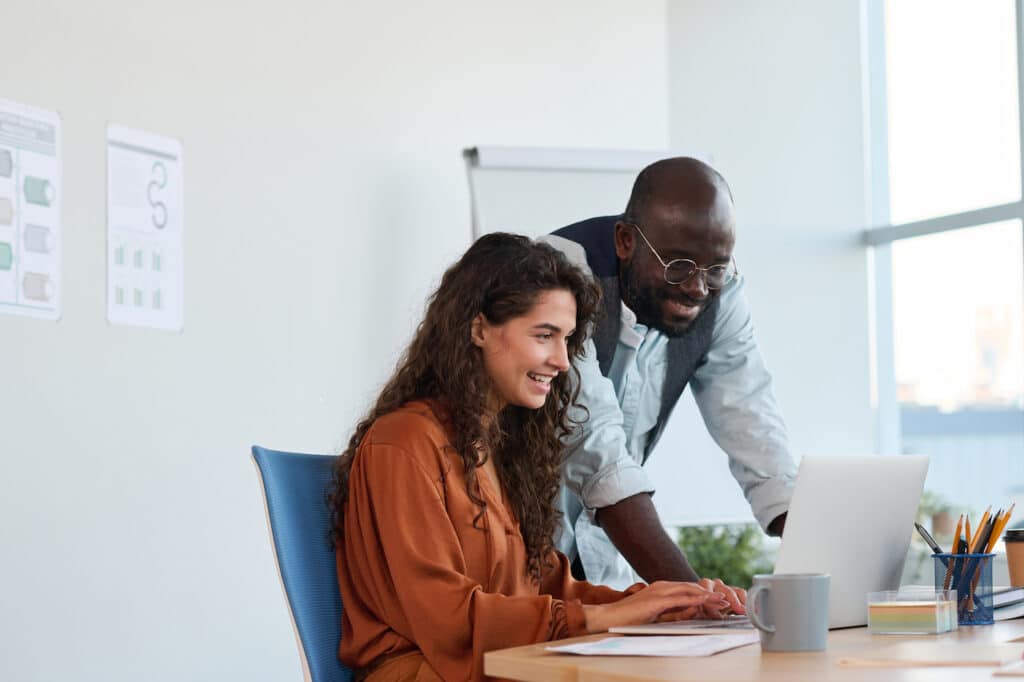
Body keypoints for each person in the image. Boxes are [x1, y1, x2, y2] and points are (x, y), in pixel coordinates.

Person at [327, 233, 737, 682]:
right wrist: (607, 619)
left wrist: (664, 606)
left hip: (510, 665)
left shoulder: (499, 448)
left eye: (567, 339)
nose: (562, 361)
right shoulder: (402, 443)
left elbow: (549, 586)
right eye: (544, 335)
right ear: (479, 328)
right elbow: (447, 620)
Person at [544, 157, 798, 590]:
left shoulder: (721, 291)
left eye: (715, 268)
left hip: (607, 569)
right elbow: (595, 449)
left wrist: (818, 549)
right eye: (677, 265)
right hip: (519, 556)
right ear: (626, 241)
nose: (698, 288)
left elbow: (752, 424)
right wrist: (694, 597)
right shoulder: (558, 274)